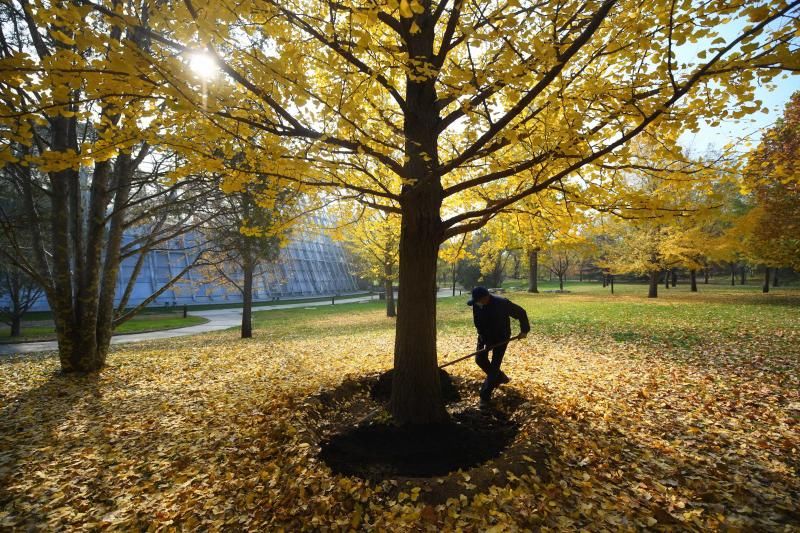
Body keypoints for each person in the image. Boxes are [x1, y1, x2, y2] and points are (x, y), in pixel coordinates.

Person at [467, 286, 530, 406]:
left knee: (495, 364)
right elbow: (478, 323)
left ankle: (484, 397)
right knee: (479, 359)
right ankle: (500, 377)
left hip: (501, 336)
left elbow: (521, 313)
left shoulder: (502, 303)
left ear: (486, 297)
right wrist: (485, 342)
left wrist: (524, 330)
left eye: (479, 301)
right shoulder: (477, 304)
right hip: (484, 336)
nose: (477, 304)